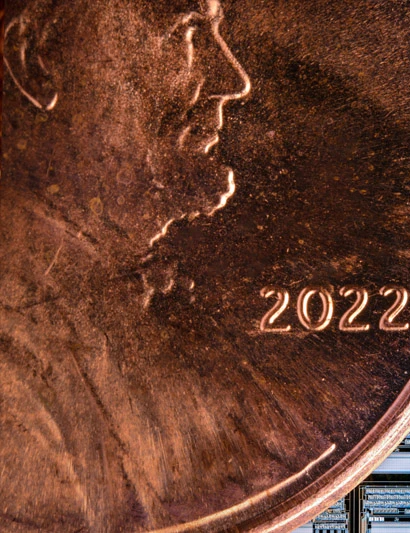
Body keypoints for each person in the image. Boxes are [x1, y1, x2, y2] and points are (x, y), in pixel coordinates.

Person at [1, 1, 334, 530]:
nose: (235, 80)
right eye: (186, 30)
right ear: (36, 61)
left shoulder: (148, 310)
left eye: (215, 32)